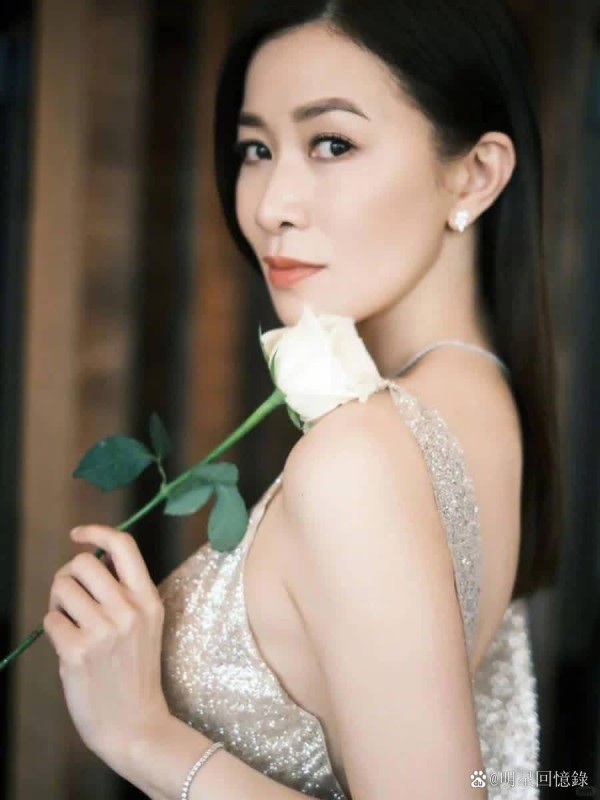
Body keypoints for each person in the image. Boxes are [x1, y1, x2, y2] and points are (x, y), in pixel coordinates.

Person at [43, 1, 563, 798]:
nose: (269, 205)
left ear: (476, 174)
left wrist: (141, 735)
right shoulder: (486, 407)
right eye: (256, 148)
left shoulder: (360, 457)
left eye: (332, 143)